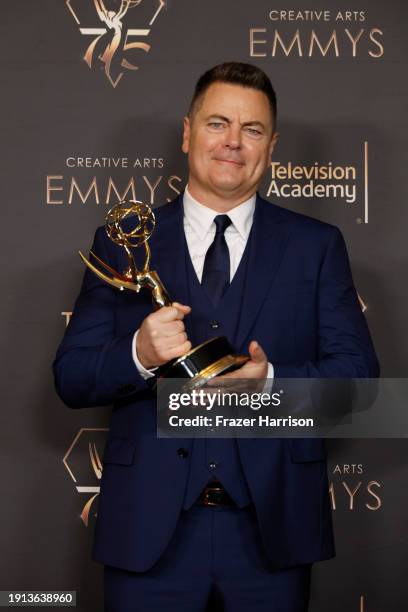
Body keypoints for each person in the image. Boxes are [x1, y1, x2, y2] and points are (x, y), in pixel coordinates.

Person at [53, 62, 379, 611]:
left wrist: (272, 384)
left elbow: (363, 389)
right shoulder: (123, 244)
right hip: (149, 536)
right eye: (217, 123)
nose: (233, 142)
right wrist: (138, 353)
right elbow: (71, 377)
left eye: (251, 130)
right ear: (187, 133)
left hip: (270, 535)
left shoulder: (316, 246)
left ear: (271, 146)